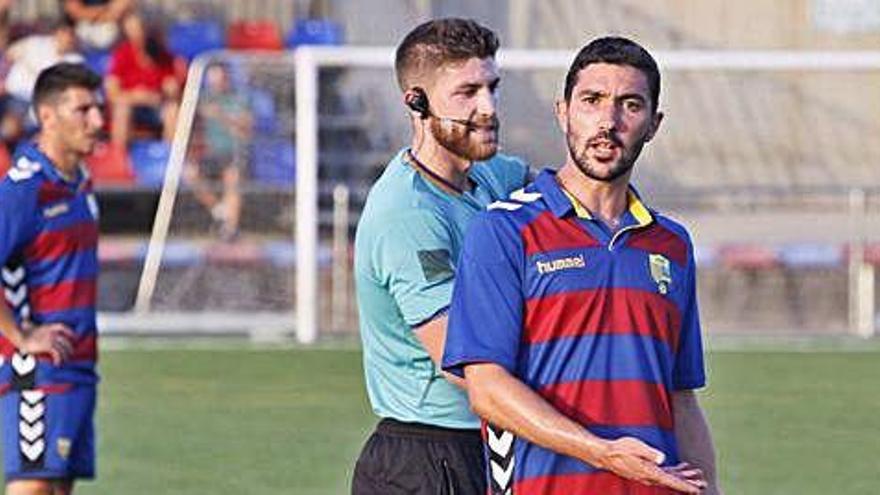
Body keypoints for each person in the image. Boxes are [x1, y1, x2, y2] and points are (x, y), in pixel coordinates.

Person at [443, 36, 722, 494]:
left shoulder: (671, 244)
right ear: (563, 112)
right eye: (592, 101)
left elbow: (680, 397)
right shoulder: (504, 231)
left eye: (630, 105)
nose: (608, 122)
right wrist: (602, 452)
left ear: (654, 124)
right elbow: (487, 389)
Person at [351, 18, 529, 494]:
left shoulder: (493, 177)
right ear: (417, 101)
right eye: (467, 92)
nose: (488, 108)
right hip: (426, 459)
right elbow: (463, 361)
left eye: (492, 87)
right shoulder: (406, 212)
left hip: (489, 443)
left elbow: (573, 197)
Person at [0, 63, 104, 495]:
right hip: (37, 374)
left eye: (97, 108)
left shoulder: (78, 183)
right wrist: (22, 337)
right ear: (48, 117)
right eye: (83, 110)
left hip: (77, 369)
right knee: (33, 488)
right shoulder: (23, 189)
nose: (97, 121)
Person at [185, 62, 251, 242]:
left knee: (233, 180)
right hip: (209, 152)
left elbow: (245, 128)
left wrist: (221, 116)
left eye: (219, 79)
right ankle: (220, 211)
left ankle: (230, 229)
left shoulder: (239, 99)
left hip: (232, 150)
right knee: (190, 174)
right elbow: (194, 127)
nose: (216, 84)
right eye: (212, 80)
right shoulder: (204, 99)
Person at [105, 10, 181, 146]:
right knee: (122, 109)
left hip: (156, 107)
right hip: (132, 106)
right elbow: (112, 93)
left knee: (173, 110)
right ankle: (119, 157)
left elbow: (172, 91)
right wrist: (136, 97)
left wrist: (169, 91)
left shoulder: (165, 56)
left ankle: (170, 156)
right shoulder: (122, 54)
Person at [4, 18, 84, 106]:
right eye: (64, 32)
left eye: (72, 34)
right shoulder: (36, 42)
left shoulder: (76, 61)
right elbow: (9, 54)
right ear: (57, 33)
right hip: (13, 92)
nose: (68, 37)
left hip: (42, 102)